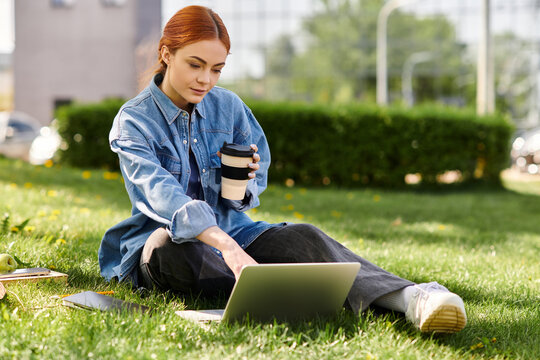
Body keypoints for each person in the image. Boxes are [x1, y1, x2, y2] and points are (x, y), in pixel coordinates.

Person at [98, 5, 466, 333]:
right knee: (168, 248)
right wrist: (225, 247)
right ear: (167, 54)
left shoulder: (228, 106)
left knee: (303, 237)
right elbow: (160, 193)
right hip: (167, 244)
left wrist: (244, 186)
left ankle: (411, 297)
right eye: (195, 65)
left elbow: (251, 183)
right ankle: (292, 291)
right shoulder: (134, 121)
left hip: (237, 236)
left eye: (217, 69)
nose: (205, 80)